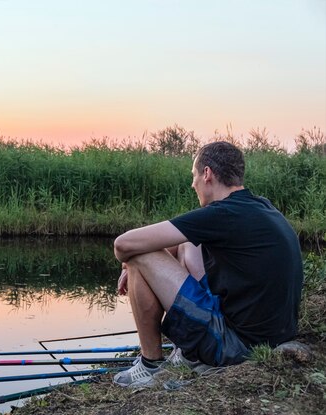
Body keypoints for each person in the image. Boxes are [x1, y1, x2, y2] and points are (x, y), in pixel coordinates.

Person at [112, 141, 303, 387]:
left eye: (194, 176)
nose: (193, 184)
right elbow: (179, 242)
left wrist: (130, 263)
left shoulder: (221, 215)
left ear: (207, 174)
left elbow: (122, 245)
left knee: (139, 256)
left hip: (236, 346)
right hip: (270, 336)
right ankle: (184, 352)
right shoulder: (260, 206)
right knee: (188, 243)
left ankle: (150, 365)